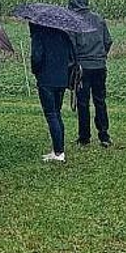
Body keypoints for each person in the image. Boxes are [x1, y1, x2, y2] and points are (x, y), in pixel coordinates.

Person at [68, 0, 113, 147]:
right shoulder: (99, 19)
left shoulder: (72, 21)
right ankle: (104, 135)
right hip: (100, 66)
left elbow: (72, 47)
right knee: (100, 101)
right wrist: (101, 56)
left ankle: (84, 137)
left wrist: (72, 64)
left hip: (82, 67)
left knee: (83, 103)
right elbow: (108, 41)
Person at [30, 23, 76, 162]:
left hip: (46, 79)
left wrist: (35, 71)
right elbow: (71, 57)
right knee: (57, 112)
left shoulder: (39, 35)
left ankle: (58, 152)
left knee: (51, 114)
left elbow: (36, 58)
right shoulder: (63, 34)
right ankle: (59, 149)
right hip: (62, 80)